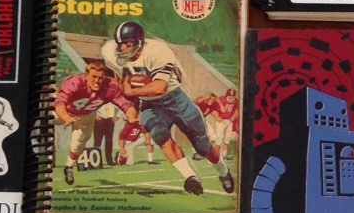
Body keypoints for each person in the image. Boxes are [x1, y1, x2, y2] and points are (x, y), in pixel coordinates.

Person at [104, 20, 233, 196]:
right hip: (149, 104)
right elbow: (119, 74)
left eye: (128, 44)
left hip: (176, 100)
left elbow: (160, 87)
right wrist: (125, 87)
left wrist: (132, 91)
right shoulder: (109, 52)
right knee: (159, 134)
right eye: (120, 44)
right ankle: (190, 177)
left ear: (139, 42)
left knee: (204, 148)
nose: (123, 48)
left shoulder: (157, 51)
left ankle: (223, 171)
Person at [53, 58, 128, 186]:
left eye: (100, 78)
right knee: (45, 118)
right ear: (86, 75)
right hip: (66, 110)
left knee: (78, 144)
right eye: (93, 76)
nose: (97, 81)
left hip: (86, 115)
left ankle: (69, 167)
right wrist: (66, 118)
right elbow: (60, 104)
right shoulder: (75, 82)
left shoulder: (110, 85)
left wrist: (131, 114)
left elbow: (124, 102)